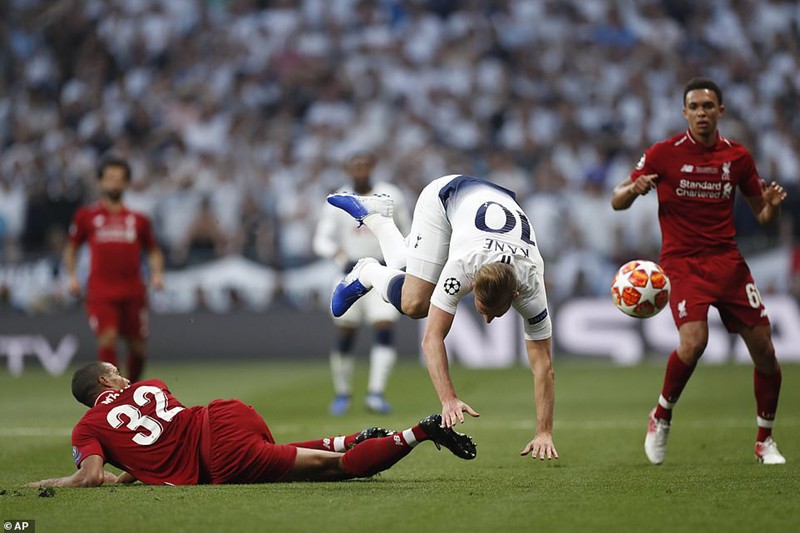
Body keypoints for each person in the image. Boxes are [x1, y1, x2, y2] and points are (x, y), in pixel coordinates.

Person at [611, 77, 788, 465]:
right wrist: (635, 188)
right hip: (684, 263)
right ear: (685, 112)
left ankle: (764, 441)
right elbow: (616, 199)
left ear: (720, 111)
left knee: (766, 353)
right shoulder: (663, 153)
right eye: (694, 107)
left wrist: (772, 204)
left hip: (728, 263)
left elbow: (762, 214)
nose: (701, 113)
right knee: (693, 342)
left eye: (708, 106)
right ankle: (661, 415)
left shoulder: (738, 157)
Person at [326, 175, 558, 461]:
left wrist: (544, 431)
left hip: (485, 207)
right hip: (445, 197)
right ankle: (367, 269)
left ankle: (380, 217)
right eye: (483, 311)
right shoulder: (463, 268)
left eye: (492, 313)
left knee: (412, 277)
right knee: (414, 303)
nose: (487, 321)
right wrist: (448, 399)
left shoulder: (532, 285)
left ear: (514, 296)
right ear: (471, 284)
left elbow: (543, 366)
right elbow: (431, 338)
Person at [26, 362, 476, 487]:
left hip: (219, 456)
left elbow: (88, 476)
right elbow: (165, 435)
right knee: (284, 455)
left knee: (330, 469)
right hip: (224, 413)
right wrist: (136, 473)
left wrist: (49, 483)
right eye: (114, 372)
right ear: (105, 381)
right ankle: (351, 438)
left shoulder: (88, 428)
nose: (122, 374)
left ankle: (417, 432)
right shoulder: (151, 384)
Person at [313, 152, 411, 415]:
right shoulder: (338, 199)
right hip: (350, 271)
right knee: (346, 331)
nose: (359, 171)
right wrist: (338, 255)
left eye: (364, 165)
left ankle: (376, 393)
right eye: (354, 166)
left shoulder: (390, 195)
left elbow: (407, 230)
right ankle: (343, 393)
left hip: (383, 269)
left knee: (385, 326)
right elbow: (321, 240)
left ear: (372, 166)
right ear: (347, 168)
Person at [63, 155, 165, 383]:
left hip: (133, 291)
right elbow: (71, 249)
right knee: (107, 338)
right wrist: (71, 277)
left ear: (127, 184)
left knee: (138, 348)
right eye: (109, 178)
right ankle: (113, 395)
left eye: (119, 179)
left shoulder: (139, 219)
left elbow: (154, 251)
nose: (114, 184)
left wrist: (157, 274)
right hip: (101, 290)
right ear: (100, 183)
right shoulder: (86, 216)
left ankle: (132, 388)